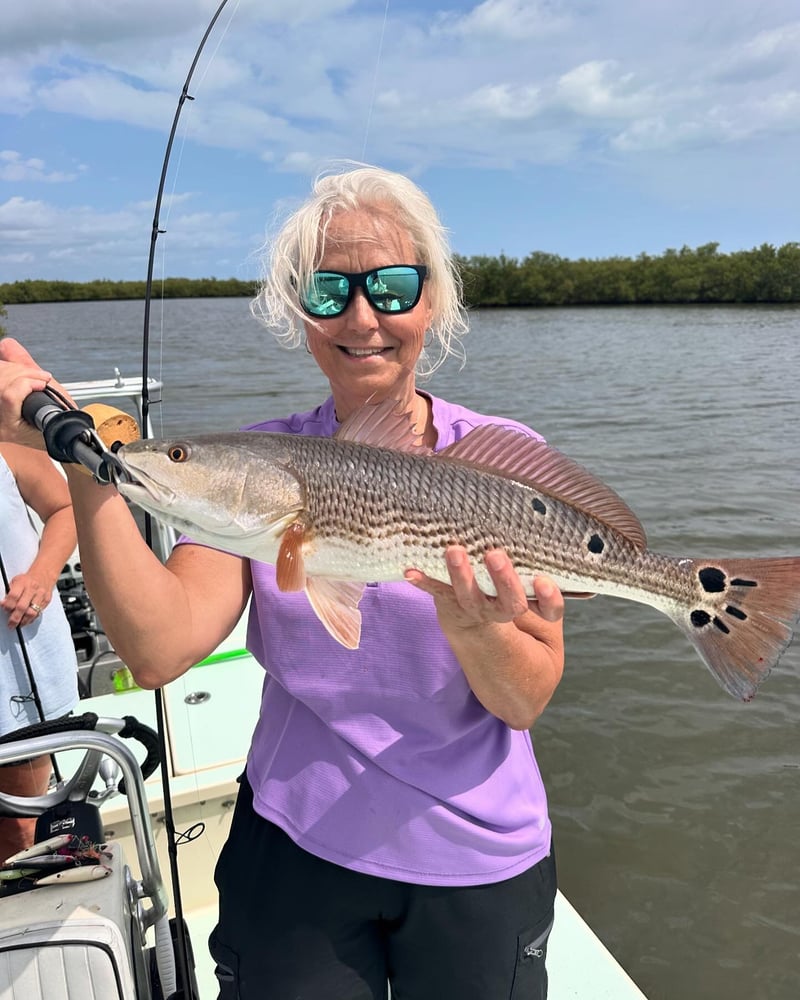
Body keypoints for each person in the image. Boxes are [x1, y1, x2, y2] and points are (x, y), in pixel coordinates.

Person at [0, 165, 565, 999]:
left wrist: (482, 635)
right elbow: (156, 651)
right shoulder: (259, 469)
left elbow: (522, 703)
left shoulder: (495, 460)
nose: (363, 316)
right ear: (300, 312)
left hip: (474, 854)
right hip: (297, 843)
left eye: (393, 286)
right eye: (329, 290)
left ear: (432, 300)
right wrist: (85, 463)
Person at [0, 440, 79, 862]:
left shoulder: (7, 443)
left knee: (19, 830)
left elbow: (66, 507)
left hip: (15, 680)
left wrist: (40, 576)